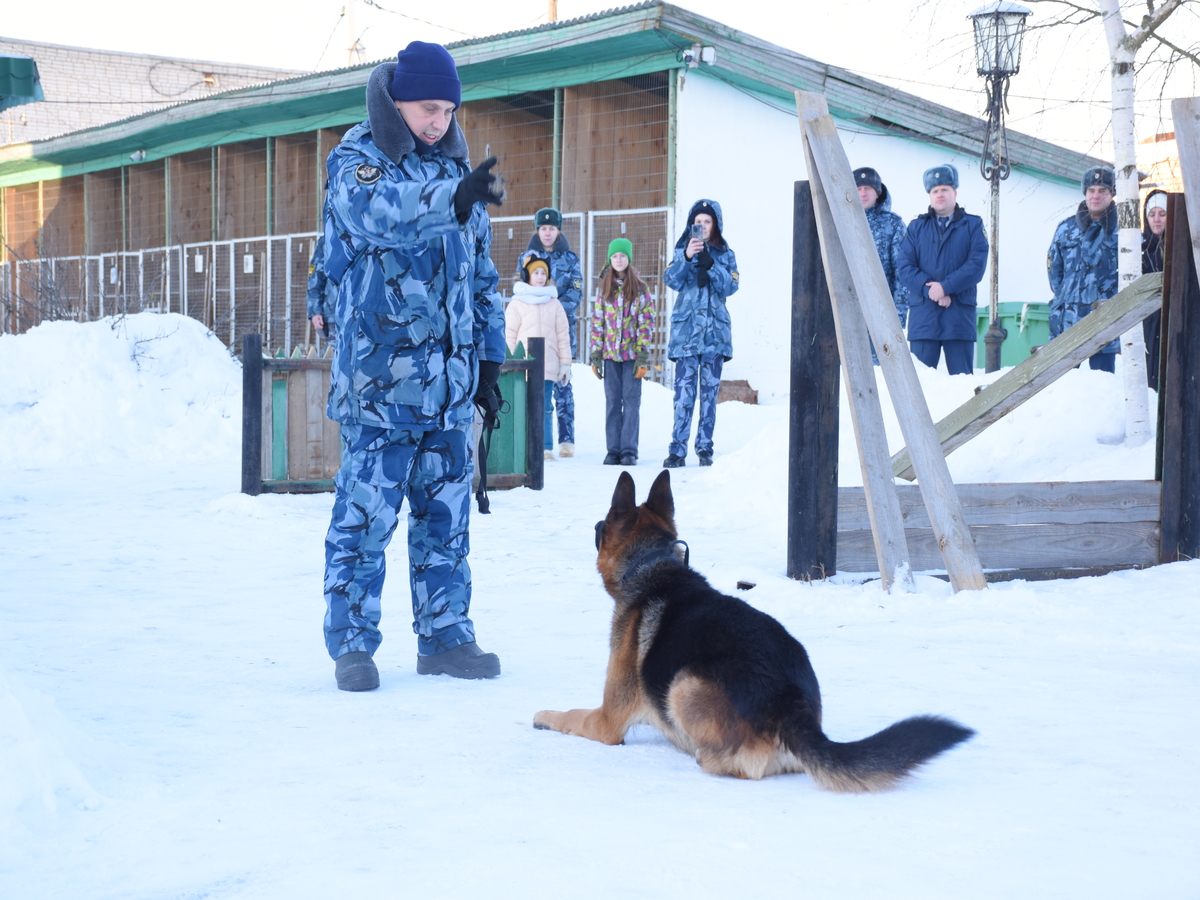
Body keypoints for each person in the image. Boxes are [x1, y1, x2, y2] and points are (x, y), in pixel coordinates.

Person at [320, 41, 507, 691]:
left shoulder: (459, 173)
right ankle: (352, 644)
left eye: (449, 110)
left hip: (449, 393)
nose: (440, 122)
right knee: (367, 519)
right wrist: (451, 202)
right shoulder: (359, 161)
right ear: (398, 101)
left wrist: (489, 363)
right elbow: (373, 221)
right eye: (430, 108)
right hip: (380, 387)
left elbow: (483, 281)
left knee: (446, 519)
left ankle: (447, 634)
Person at [662, 199, 739, 468]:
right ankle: (677, 449)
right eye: (698, 222)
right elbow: (671, 280)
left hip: (714, 338)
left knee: (709, 396)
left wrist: (711, 264)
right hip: (686, 337)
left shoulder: (726, 254)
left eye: (707, 222)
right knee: (683, 396)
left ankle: (705, 448)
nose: (702, 226)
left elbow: (730, 287)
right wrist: (687, 257)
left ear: (715, 224)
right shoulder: (682, 249)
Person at [897, 163, 988, 375]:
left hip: (958, 319)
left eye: (945, 189)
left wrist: (945, 287)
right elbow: (904, 267)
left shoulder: (973, 225)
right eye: (935, 191)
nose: (940, 195)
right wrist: (932, 290)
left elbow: (976, 266)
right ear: (930, 195)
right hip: (924, 320)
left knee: (962, 386)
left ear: (954, 193)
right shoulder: (916, 228)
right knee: (921, 386)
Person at [515, 208, 583, 458]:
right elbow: (521, 290)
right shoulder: (526, 257)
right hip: (532, 333)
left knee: (563, 386)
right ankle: (536, 441)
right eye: (543, 228)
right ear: (537, 230)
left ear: (558, 230)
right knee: (533, 387)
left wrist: (552, 310)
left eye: (552, 228)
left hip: (562, 331)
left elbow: (576, 293)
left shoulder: (570, 259)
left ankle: (566, 441)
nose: (547, 233)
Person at [589, 238, 655, 466]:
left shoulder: (640, 288)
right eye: (615, 256)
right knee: (612, 402)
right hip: (609, 357)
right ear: (610, 259)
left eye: (623, 256)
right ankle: (613, 450)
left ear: (629, 259)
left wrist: (643, 354)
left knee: (631, 402)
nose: (618, 260)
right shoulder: (603, 289)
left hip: (632, 358)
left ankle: (628, 449)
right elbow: (597, 322)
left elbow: (646, 322)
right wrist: (596, 354)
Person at [1047, 166, 1120, 373]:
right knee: (1066, 386)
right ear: (1085, 193)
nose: (1096, 196)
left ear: (1111, 194)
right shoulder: (1066, 228)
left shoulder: (1123, 231)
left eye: (1102, 191)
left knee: (1102, 386)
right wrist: (1066, 295)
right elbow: (1054, 270)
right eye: (1091, 190)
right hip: (1069, 321)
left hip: (1105, 321)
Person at [505, 257, 572, 461]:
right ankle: (522, 446)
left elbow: (562, 335)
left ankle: (544, 447)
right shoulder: (517, 304)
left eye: (544, 273)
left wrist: (565, 364)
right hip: (522, 366)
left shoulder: (555, 304)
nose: (540, 277)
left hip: (548, 365)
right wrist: (508, 361)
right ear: (526, 276)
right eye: (536, 273)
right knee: (522, 406)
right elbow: (509, 334)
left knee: (544, 406)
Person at [854, 166, 910, 364]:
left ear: (877, 192)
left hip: (880, 313)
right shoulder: (838, 222)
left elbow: (902, 273)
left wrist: (898, 315)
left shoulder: (893, 225)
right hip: (847, 311)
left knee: (880, 370)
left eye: (868, 188)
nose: (863, 193)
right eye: (858, 188)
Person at [1141, 189, 1168, 390]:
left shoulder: (1183, 247)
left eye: (1162, 214)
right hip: (1148, 324)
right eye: (1152, 214)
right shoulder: (1139, 251)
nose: (1156, 220)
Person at [306, 235, 336, 339]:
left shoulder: (375, 235)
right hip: (334, 315)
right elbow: (315, 278)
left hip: (369, 315)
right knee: (334, 353)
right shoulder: (328, 239)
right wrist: (315, 311)